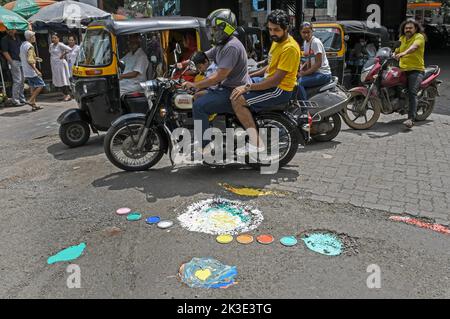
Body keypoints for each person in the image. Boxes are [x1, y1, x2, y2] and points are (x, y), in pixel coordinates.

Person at [230, 9, 301, 156]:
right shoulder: (277, 42)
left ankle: (256, 143)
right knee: (236, 85)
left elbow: (274, 81)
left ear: (286, 28)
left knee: (238, 99)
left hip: (279, 90)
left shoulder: (290, 48)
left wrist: (247, 86)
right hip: (268, 82)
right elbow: (270, 67)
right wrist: (249, 75)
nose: (273, 33)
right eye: (270, 29)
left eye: (277, 30)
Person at [181, 8, 251, 152]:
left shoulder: (231, 46)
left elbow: (219, 76)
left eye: (215, 29)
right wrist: (181, 64)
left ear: (226, 28)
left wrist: (195, 84)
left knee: (199, 106)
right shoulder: (222, 44)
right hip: (226, 87)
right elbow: (204, 56)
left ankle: (206, 147)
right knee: (197, 96)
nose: (212, 32)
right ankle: (208, 132)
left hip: (233, 91)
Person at [394, 19, 426, 129]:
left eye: (410, 28)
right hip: (402, 69)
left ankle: (411, 119)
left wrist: (403, 53)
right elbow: (397, 49)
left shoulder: (419, 37)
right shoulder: (402, 38)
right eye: (406, 28)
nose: (408, 30)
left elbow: (414, 47)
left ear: (415, 29)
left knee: (412, 92)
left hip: (416, 70)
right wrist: (393, 53)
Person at [297, 22, 332, 100]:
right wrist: (302, 69)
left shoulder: (316, 42)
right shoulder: (306, 43)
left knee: (299, 83)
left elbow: (318, 64)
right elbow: (309, 59)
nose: (306, 34)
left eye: (308, 32)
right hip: (316, 73)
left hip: (323, 74)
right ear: (300, 32)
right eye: (304, 32)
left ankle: (304, 109)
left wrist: (304, 74)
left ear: (312, 31)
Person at [20, 30, 45, 111]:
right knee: (41, 85)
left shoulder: (23, 45)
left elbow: (23, 56)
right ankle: (31, 100)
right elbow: (30, 60)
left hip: (25, 69)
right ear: (30, 37)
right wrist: (37, 70)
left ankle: (34, 106)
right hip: (31, 70)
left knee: (32, 87)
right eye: (33, 36)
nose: (34, 38)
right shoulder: (30, 46)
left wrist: (35, 58)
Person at [1, 29, 26, 106]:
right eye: (9, 30)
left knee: (22, 80)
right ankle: (15, 100)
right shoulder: (4, 39)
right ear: (6, 31)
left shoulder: (17, 37)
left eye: (12, 29)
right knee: (17, 81)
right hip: (14, 61)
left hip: (21, 60)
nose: (11, 31)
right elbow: (5, 52)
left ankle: (22, 98)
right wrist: (11, 62)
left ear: (15, 30)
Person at [49, 33, 72, 101]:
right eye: (52, 38)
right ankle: (64, 95)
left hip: (60, 64)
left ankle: (68, 95)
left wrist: (63, 54)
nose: (53, 39)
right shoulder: (51, 45)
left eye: (55, 38)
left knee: (63, 79)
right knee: (58, 80)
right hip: (54, 64)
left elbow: (69, 49)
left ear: (58, 38)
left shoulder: (60, 44)